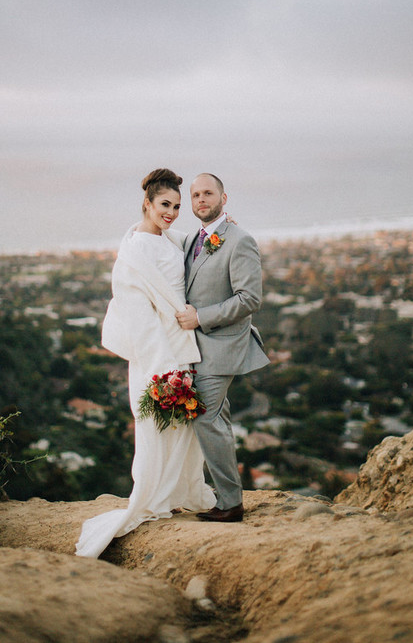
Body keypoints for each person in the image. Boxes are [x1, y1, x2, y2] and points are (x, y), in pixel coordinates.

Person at [75, 168, 215, 558]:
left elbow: (203, 245)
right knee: (156, 427)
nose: (171, 212)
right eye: (164, 205)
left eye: (175, 206)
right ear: (147, 204)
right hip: (158, 354)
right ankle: (153, 498)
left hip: (184, 347)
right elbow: (138, 315)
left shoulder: (171, 237)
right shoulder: (134, 251)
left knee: (186, 431)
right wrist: (163, 367)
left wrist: (223, 229)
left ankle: (181, 492)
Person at [176, 173, 269, 522]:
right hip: (194, 348)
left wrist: (200, 317)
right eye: (196, 195)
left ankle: (230, 504)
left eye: (208, 193)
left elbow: (250, 298)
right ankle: (229, 496)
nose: (201, 200)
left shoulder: (240, 240)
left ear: (223, 198)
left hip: (222, 345)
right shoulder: (189, 240)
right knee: (218, 417)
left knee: (205, 418)